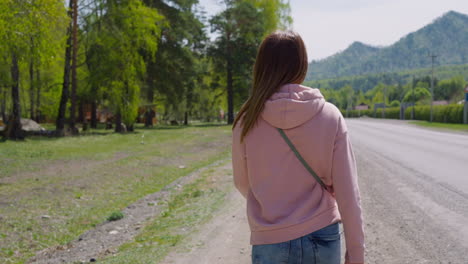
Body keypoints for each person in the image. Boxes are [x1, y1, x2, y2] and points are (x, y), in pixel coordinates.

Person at [231, 31, 365, 264]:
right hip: (322, 233)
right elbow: (348, 193)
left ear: (261, 66)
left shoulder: (246, 119)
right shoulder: (329, 115)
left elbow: (243, 183)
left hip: (269, 241)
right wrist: (356, 253)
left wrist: (272, 201)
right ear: (302, 64)